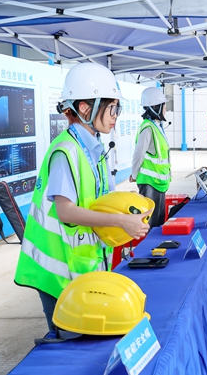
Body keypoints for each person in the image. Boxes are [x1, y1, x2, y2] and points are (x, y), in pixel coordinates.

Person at [14, 63, 151, 333]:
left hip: (80, 263)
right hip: (56, 271)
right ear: (85, 108)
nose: (116, 115)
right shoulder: (67, 151)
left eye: (117, 108)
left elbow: (94, 199)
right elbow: (66, 211)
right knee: (70, 343)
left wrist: (122, 207)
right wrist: (121, 221)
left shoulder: (92, 147)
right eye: (111, 107)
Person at [130, 87, 171, 228]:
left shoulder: (157, 126)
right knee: (151, 224)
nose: (165, 109)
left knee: (158, 222)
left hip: (158, 182)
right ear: (155, 107)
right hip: (149, 182)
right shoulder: (148, 127)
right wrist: (134, 174)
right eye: (164, 106)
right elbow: (139, 154)